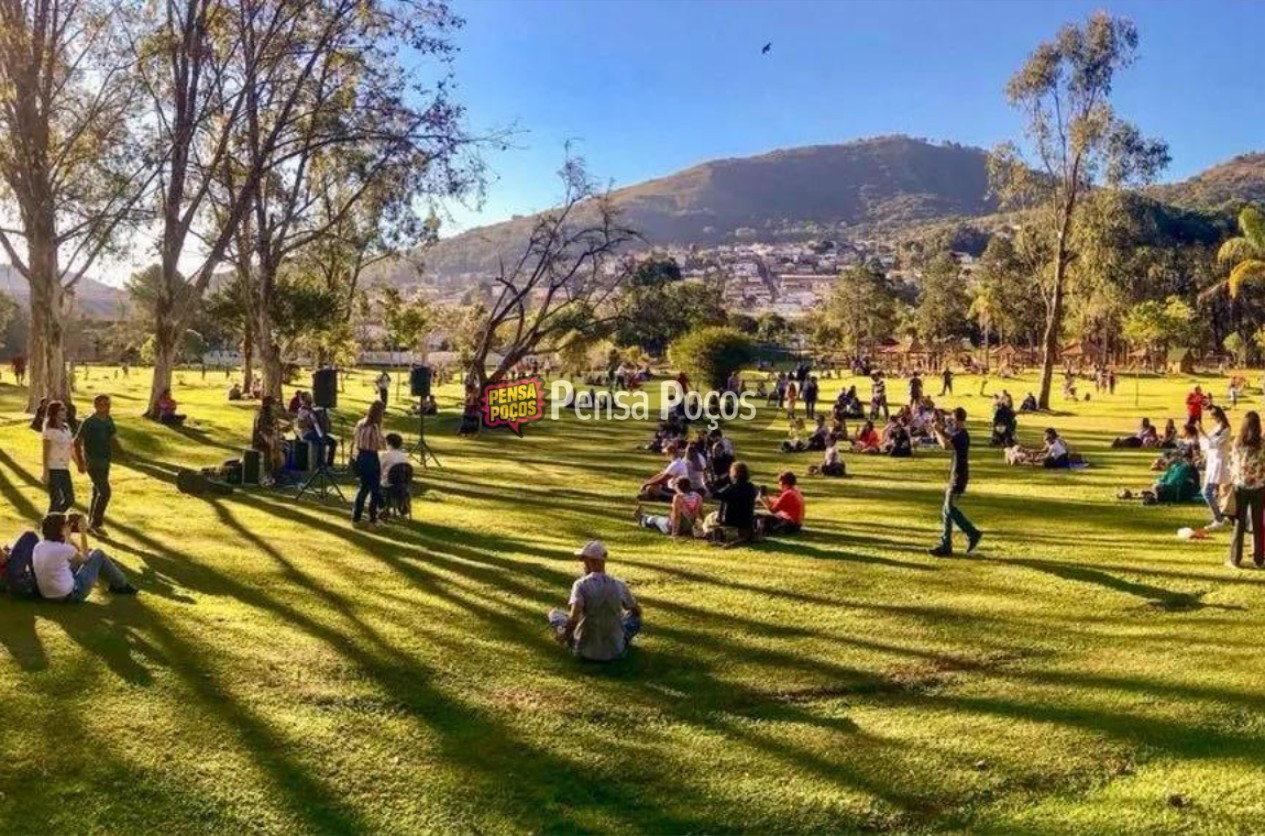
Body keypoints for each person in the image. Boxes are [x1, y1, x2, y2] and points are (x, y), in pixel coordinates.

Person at [547, 541, 642, 662]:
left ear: (590, 561)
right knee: (633, 618)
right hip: (616, 652)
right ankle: (619, 640)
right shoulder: (619, 584)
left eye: (583, 560)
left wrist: (564, 637)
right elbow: (636, 611)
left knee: (555, 614)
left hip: (583, 651)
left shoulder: (581, 585)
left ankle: (567, 635)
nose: (583, 564)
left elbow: (574, 618)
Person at [32, 512, 137, 601]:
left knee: (86, 554)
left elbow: (66, 554)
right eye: (66, 525)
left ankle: (118, 584)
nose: (69, 526)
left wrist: (67, 536)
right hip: (71, 595)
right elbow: (86, 559)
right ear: (61, 529)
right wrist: (83, 532)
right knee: (97, 554)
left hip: (47, 595)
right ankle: (121, 585)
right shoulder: (64, 549)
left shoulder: (39, 546)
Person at [929, 407, 981, 557]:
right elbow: (949, 438)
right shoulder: (960, 434)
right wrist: (939, 430)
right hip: (956, 475)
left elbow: (946, 445)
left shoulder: (961, 435)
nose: (949, 420)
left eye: (951, 418)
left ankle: (972, 533)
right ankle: (946, 545)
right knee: (946, 511)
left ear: (957, 419)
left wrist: (937, 431)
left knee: (949, 509)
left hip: (958, 476)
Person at [74, 394, 121, 536]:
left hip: (105, 461)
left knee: (97, 491)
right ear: (95, 406)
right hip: (92, 463)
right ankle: (96, 524)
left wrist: (124, 455)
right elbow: (77, 442)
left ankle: (90, 522)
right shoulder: (89, 422)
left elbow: (112, 438)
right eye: (103, 405)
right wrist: (81, 463)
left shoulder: (108, 420)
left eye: (108, 404)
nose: (106, 407)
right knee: (105, 492)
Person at [1228, 411, 1265, 569]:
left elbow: (1233, 464)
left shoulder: (1237, 442)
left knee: (1239, 524)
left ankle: (1235, 559)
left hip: (1240, 486)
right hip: (1259, 486)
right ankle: (1259, 560)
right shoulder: (1263, 443)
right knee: (1258, 525)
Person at [352, 400, 387, 526]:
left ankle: (356, 518)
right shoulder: (375, 426)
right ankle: (373, 519)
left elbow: (355, 437)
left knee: (363, 489)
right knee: (374, 489)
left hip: (360, 456)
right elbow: (379, 444)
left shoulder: (360, 423)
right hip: (371, 457)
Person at [705, 461, 758, 542]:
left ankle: (707, 533)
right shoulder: (752, 487)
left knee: (710, 517)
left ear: (734, 474)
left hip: (731, 522)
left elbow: (714, 495)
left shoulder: (731, 488)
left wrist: (707, 484)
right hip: (747, 522)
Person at [1200, 405, 1232, 530]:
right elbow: (1206, 443)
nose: (1213, 419)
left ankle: (1219, 519)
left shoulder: (1226, 429)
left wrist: (1202, 432)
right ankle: (1219, 516)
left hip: (1218, 463)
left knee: (1207, 492)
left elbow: (1215, 444)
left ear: (1218, 416)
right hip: (1212, 462)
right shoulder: (1217, 428)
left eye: (1213, 417)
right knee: (1210, 491)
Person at [636, 477, 703, 537]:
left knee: (656, 519)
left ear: (677, 487)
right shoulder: (697, 496)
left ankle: (642, 518)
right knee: (662, 518)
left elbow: (676, 516)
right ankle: (643, 517)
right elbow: (701, 514)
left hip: (672, 527)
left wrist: (674, 534)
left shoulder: (678, 497)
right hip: (688, 527)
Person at [42, 400, 75, 513]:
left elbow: (71, 449)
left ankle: (54, 520)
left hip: (65, 469)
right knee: (56, 499)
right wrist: (46, 472)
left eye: (65, 409)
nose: (65, 411)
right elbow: (45, 452)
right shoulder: (49, 431)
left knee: (70, 499)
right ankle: (50, 525)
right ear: (55, 412)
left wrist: (80, 464)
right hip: (53, 469)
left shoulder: (66, 428)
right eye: (62, 409)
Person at [757, 471, 805, 536]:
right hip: (795, 523)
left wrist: (763, 500)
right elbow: (779, 501)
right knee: (767, 519)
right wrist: (768, 498)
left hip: (789, 524)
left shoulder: (788, 494)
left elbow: (773, 510)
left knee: (764, 521)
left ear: (783, 483)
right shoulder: (795, 491)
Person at [251, 395, 285, 485]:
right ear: (269, 405)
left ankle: (276, 476)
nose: (276, 406)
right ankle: (267, 476)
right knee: (269, 452)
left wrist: (284, 430)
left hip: (271, 441)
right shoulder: (262, 415)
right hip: (261, 443)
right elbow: (262, 431)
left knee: (281, 452)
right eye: (274, 404)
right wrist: (270, 442)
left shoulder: (272, 415)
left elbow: (274, 430)